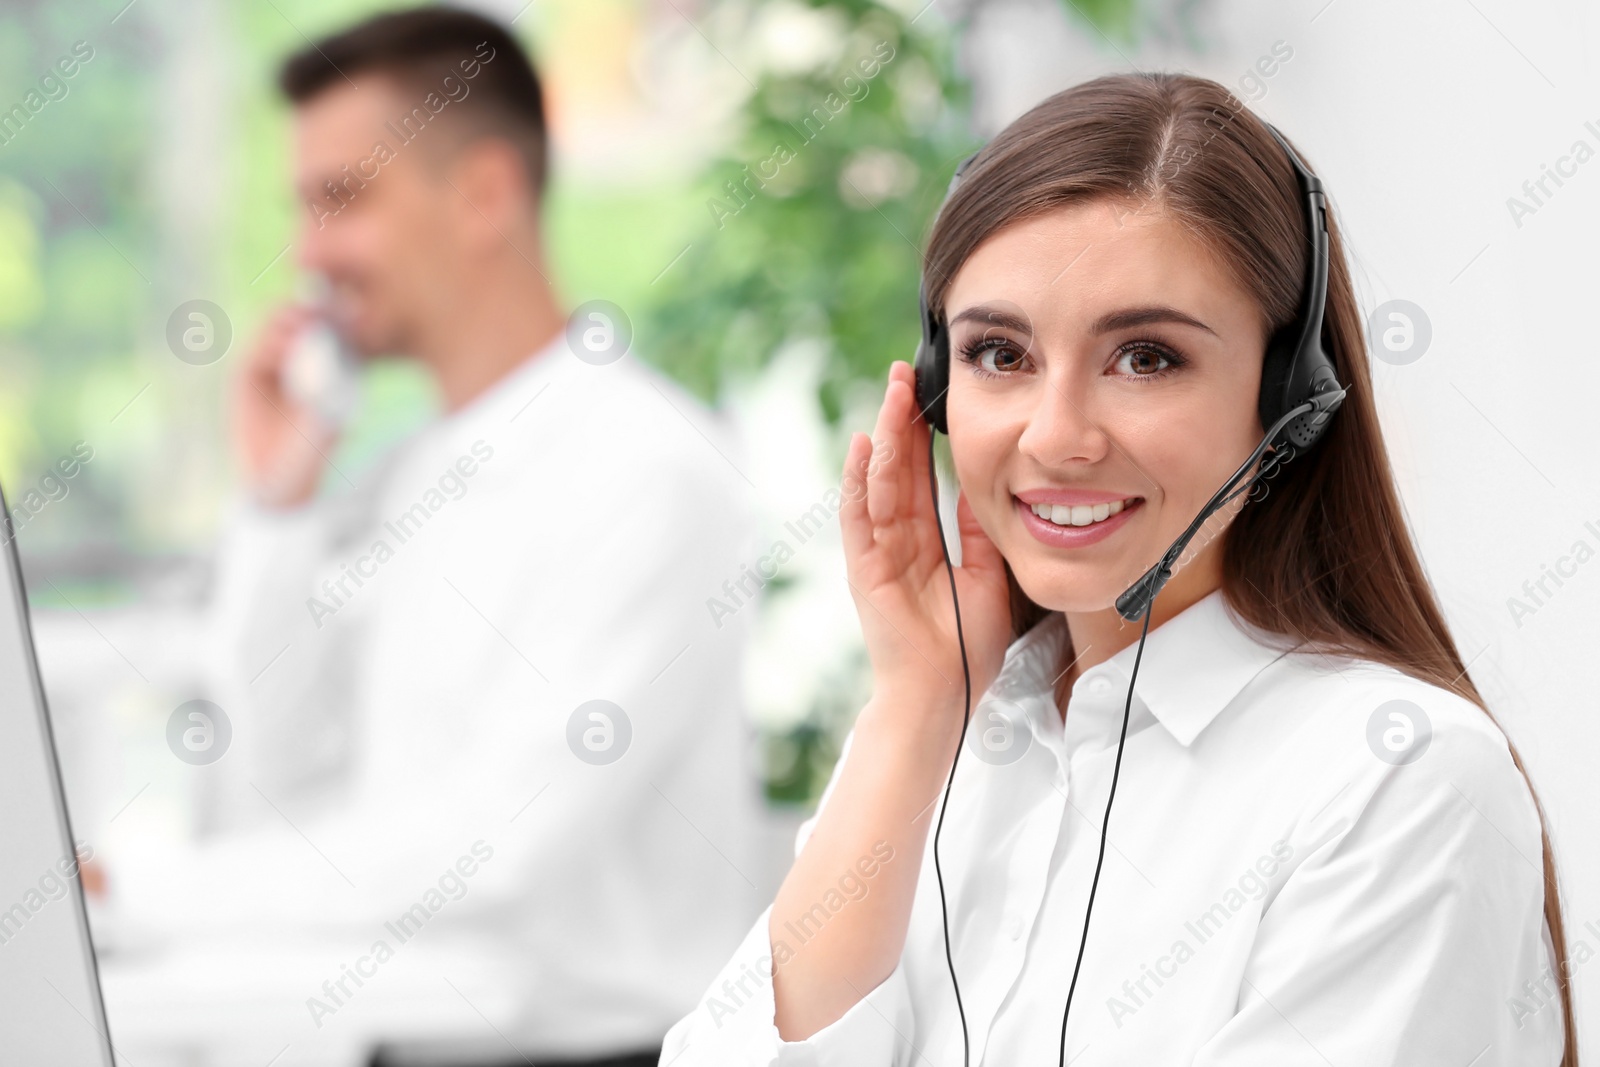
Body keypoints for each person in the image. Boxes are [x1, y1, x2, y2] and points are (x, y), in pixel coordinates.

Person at [660, 72, 1574, 1064]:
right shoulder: (938, 740)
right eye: (999, 354)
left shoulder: (1395, 776)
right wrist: (916, 707)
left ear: (1287, 398)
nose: (1055, 438)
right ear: (932, 388)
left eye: (1144, 357)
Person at [103, 8, 765, 1066]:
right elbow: (275, 773)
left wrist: (138, 890)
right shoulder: (398, 478)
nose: (306, 250)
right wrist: (278, 505)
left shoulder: (649, 469)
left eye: (342, 199)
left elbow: (494, 843)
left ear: (485, 193)